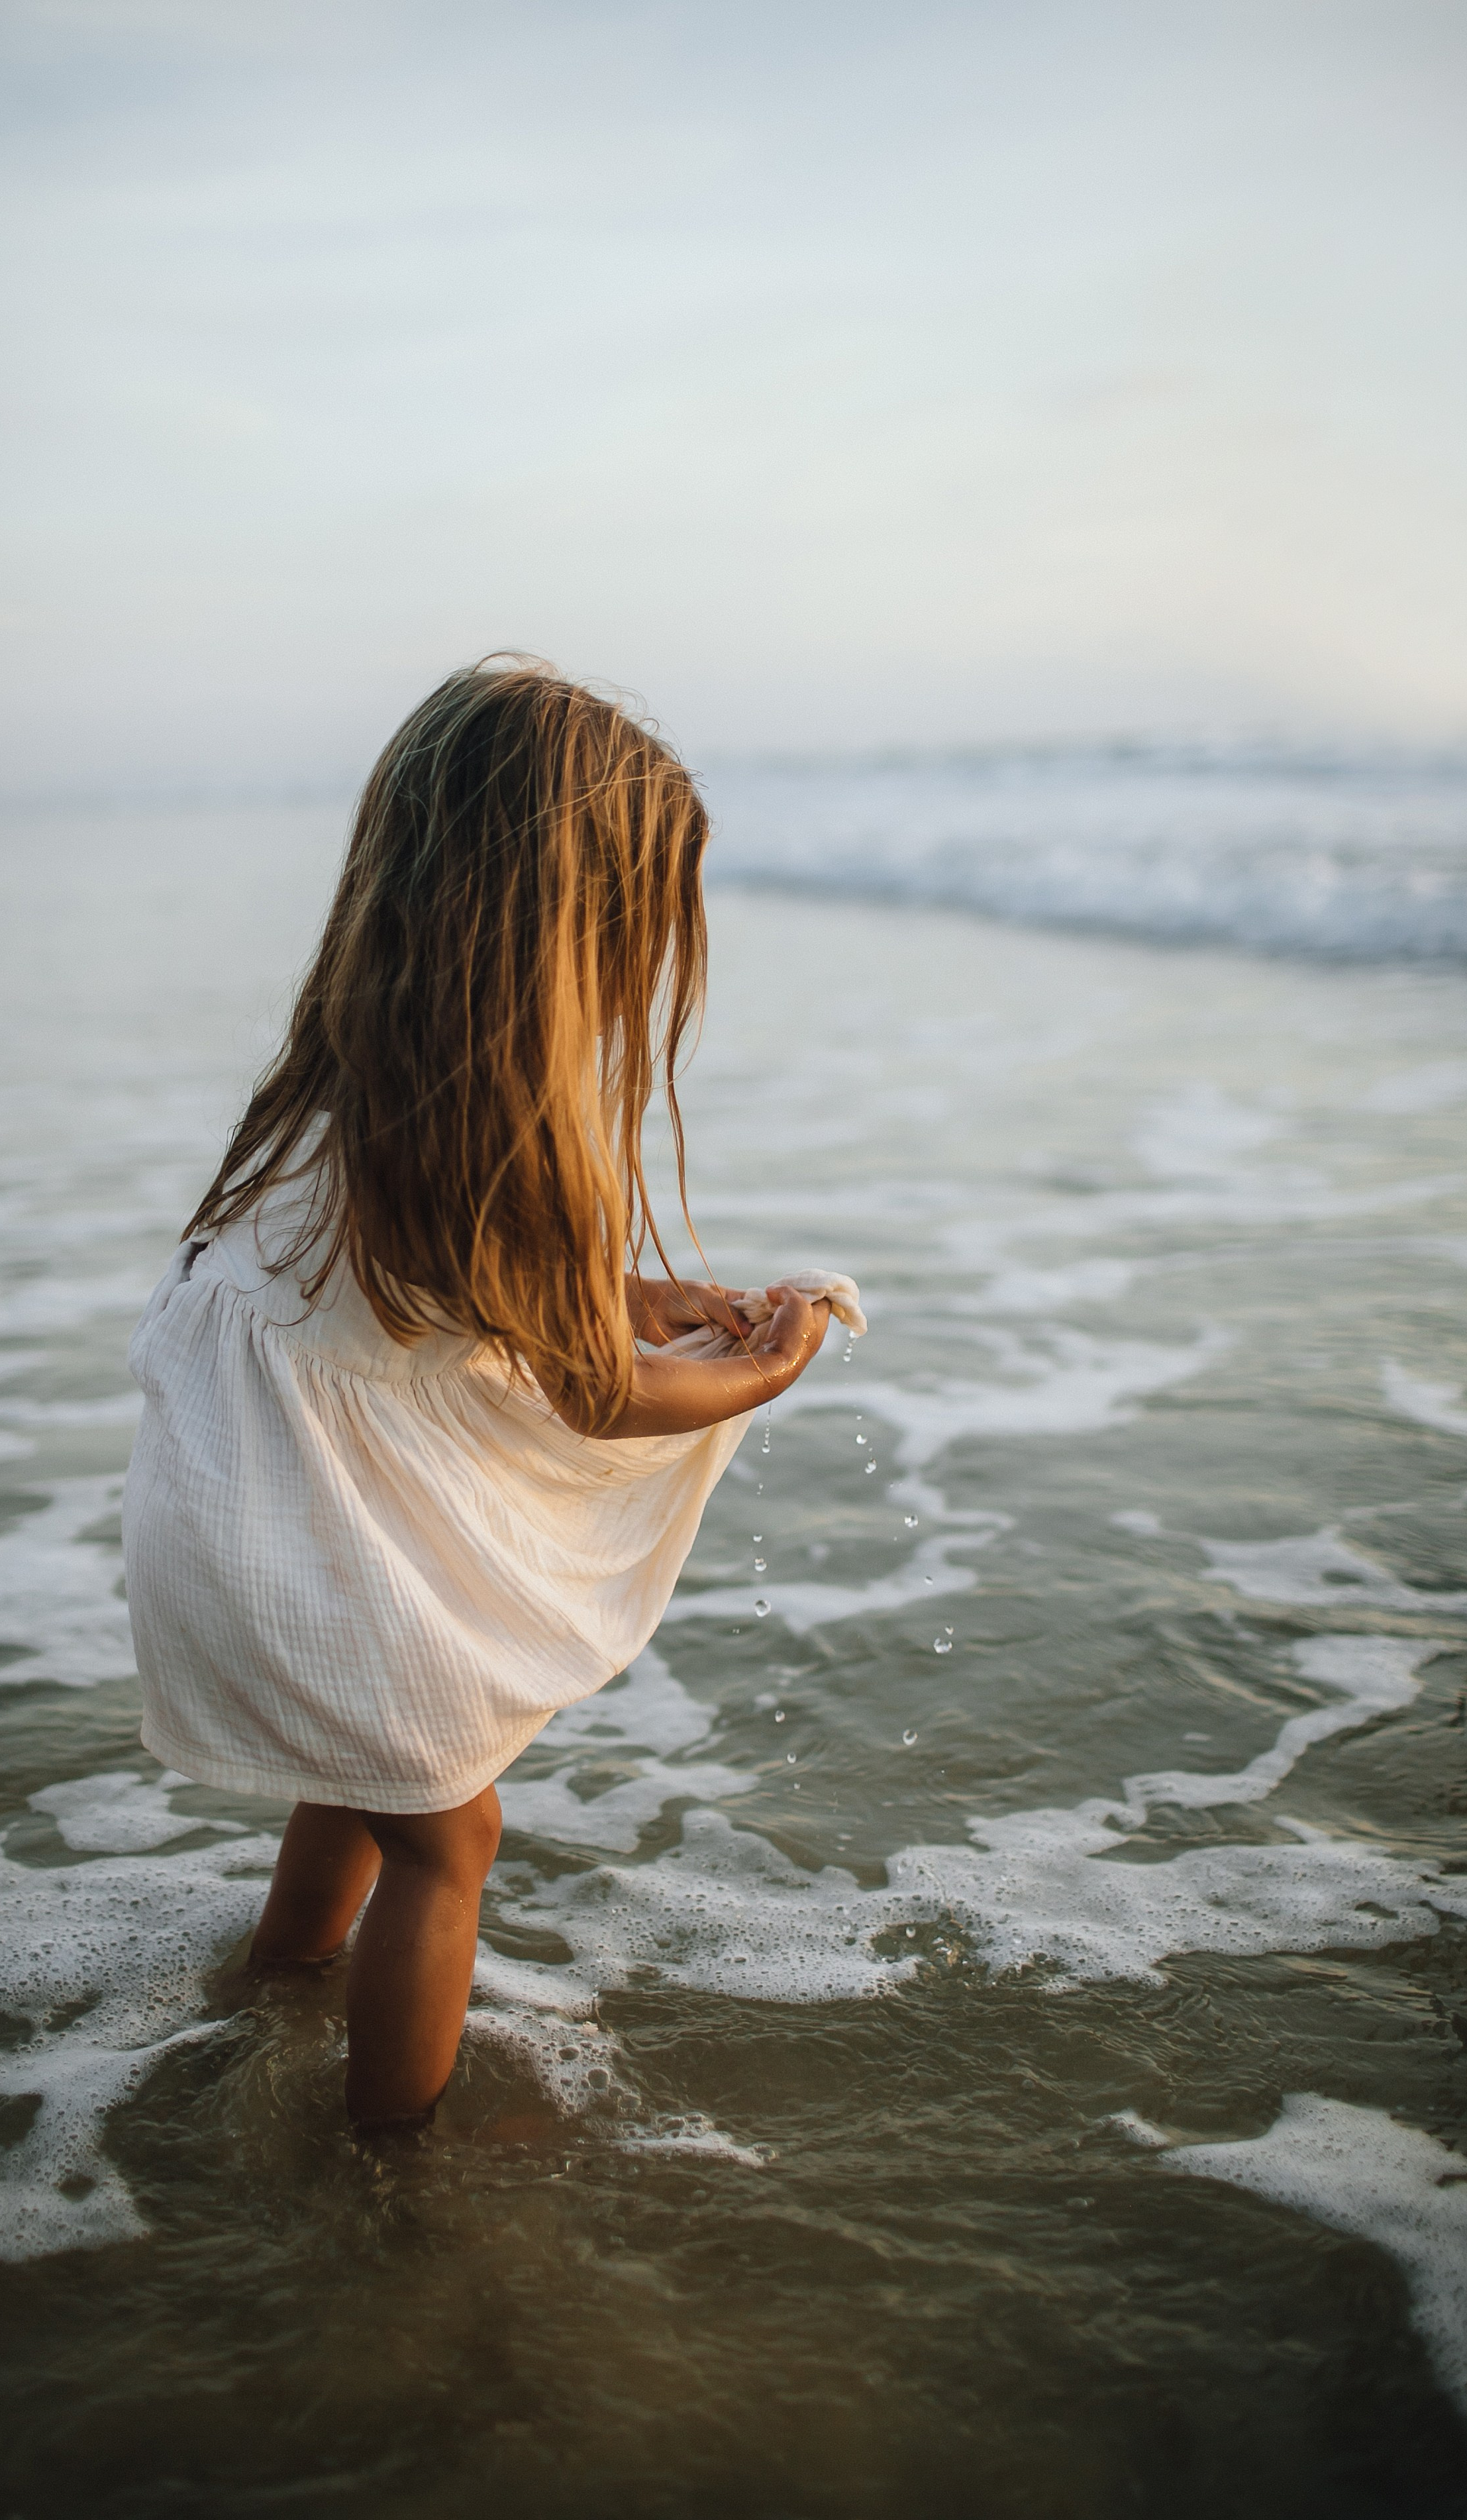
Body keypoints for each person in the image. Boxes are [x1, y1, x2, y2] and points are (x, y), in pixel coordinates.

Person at [122, 660, 860, 2137]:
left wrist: (637, 1292)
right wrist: (754, 1371)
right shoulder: (480, 1131)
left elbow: (465, 1312)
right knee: (451, 1837)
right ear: (552, 932)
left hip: (237, 1534)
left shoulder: (363, 1089)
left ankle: (274, 1980)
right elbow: (589, 1389)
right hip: (301, 1540)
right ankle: (392, 2158)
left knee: (360, 1774)